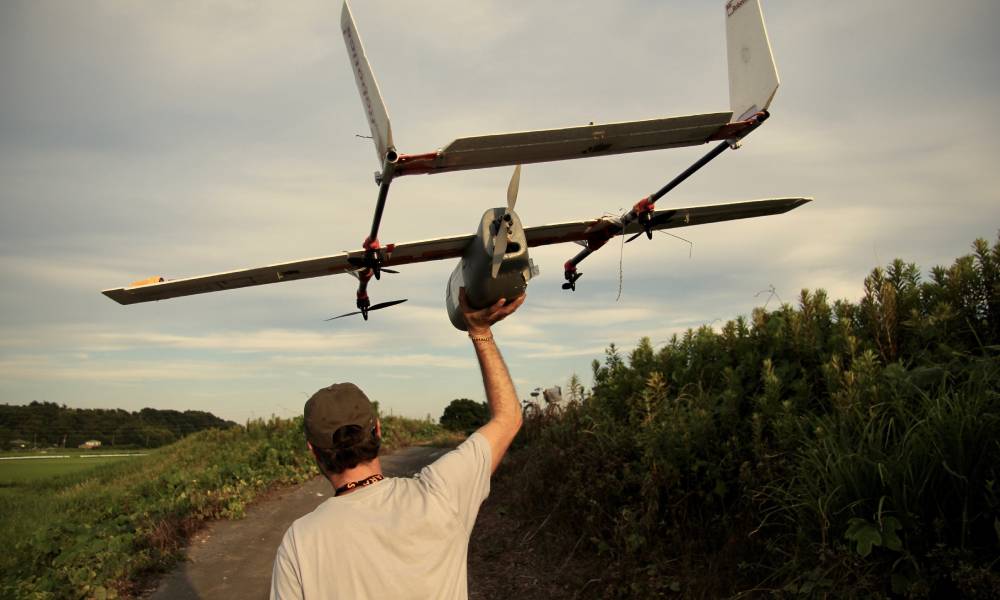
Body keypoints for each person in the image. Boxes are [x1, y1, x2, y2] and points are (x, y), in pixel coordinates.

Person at [270, 290, 526, 599]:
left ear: (313, 450)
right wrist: (480, 332)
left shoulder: (299, 542)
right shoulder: (439, 494)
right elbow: (508, 418)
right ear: (377, 430)